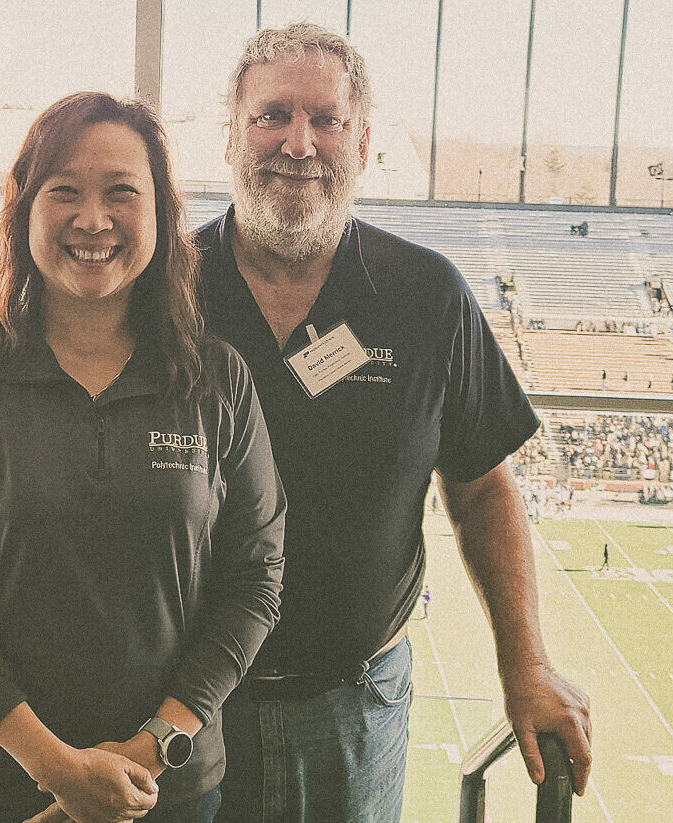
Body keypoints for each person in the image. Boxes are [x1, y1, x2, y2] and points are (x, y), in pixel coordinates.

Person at [195, 23, 591, 823]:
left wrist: (527, 665)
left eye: (325, 119)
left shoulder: (424, 294)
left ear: (362, 141)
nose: (297, 143)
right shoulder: (162, 290)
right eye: (271, 115)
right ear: (230, 137)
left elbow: (480, 489)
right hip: (185, 707)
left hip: (356, 707)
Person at [0, 93, 286, 823]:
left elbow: (254, 578)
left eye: (121, 193)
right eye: (63, 190)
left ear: (160, 215)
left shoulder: (217, 380)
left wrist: (147, 748)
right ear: (24, 209)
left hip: (160, 787)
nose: (93, 219)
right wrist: (55, 767)